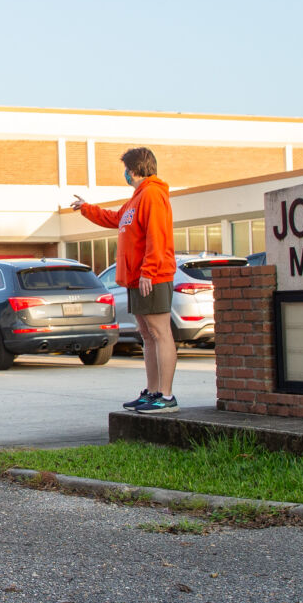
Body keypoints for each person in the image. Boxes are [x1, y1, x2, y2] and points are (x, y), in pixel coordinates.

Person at [70, 147, 177, 412]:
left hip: (151, 277)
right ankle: (152, 391)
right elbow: (115, 219)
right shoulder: (135, 199)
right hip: (135, 279)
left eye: (127, 169)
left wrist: (148, 271)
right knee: (147, 334)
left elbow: (157, 235)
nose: (125, 174)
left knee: (160, 332)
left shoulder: (153, 194)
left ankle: (166, 395)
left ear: (135, 169)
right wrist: (86, 208)